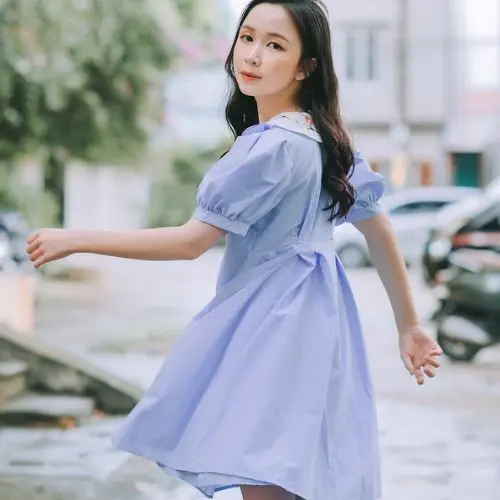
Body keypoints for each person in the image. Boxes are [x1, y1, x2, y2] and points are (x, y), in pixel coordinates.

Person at [26, 1, 442, 499]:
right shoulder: (329, 142)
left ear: (306, 66)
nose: (254, 54)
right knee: (292, 473)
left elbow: (189, 242)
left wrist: (77, 238)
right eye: (247, 38)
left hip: (272, 326)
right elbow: (380, 232)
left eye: (275, 45)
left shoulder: (271, 147)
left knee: (264, 474)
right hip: (320, 324)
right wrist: (409, 323)